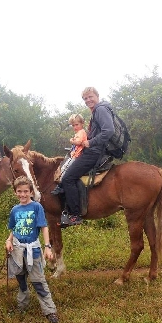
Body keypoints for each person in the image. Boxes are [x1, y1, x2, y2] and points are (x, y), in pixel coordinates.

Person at [57, 87, 115, 227]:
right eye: (85, 98)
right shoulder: (97, 111)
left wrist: (90, 142)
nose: (88, 100)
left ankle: (75, 215)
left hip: (94, 152)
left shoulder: (100, 109)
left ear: (97, 96)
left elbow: (109, 130)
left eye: (90, 97)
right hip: (93, 151)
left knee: (68, 178)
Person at [5, 177, 59, 323]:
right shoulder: (15, 210)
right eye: (19, 191)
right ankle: (22, 305)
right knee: (21, 278)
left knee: (38, 281)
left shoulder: (36, 207)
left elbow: (44, 227)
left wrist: (47, 247)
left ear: (31, 192)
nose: (22, 194)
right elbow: (14, 228)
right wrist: (9, 240)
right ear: (15, 192)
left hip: (32, 250)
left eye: (25, 191)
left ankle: (50, 310)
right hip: (17, 250)